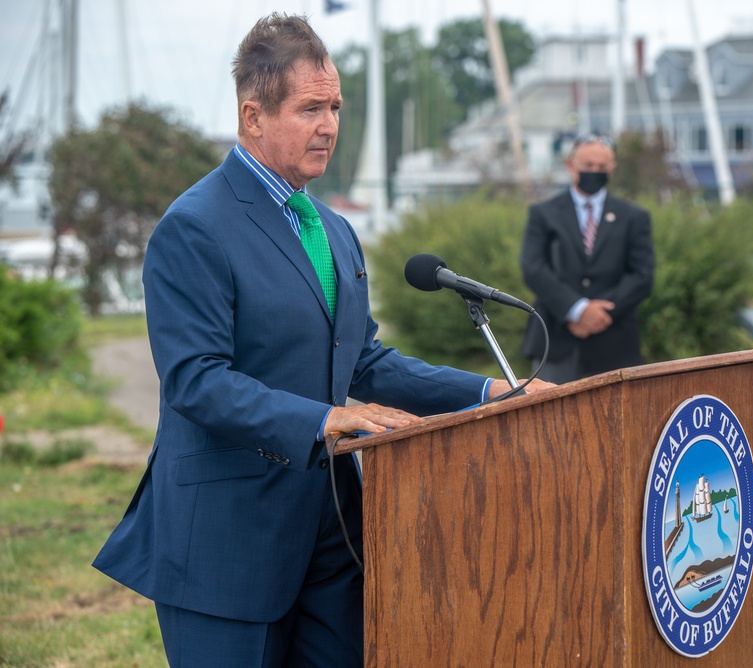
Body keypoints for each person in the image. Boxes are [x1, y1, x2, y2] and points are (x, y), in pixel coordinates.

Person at [93, 13, 549, 666]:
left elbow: (362, 361)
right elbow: (196, 378)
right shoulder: (193, 227)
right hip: (227, 546)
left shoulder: (335, 231)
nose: (330, 124)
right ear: (254, 117)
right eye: (310, 108)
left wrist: (487, 391)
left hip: (335, 537)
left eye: (335, 106)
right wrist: (324, 419)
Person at [519, 133, 655, 383]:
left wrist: (600, 314)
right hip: (556, 341)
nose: (594, 171)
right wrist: (577, 309)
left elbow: (642, 275)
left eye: (601, 167)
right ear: (571, 165)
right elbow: (533, 267)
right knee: (551, 419)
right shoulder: (543, 213)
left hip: (615, 343)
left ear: (612, 169)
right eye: (588, 166)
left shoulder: (634, 217)